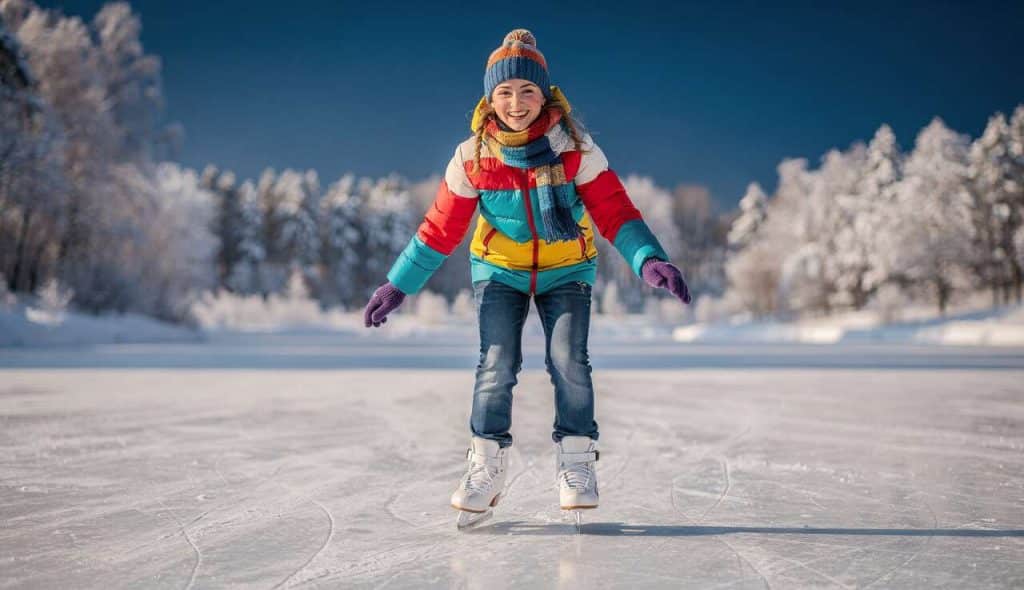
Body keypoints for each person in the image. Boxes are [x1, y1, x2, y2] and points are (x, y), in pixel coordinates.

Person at [363, 29, 691, 522]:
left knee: (569, 361)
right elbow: (440, 229)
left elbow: (615, 211)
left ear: (545, 94)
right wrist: (398, 283)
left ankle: (576, 462)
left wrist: (648, 258)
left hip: (568, 268)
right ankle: (485, 466)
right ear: (489, 99)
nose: (516, 103)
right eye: (505, 92)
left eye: (527, 90)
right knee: (496, 364)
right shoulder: (473, 157)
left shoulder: (575, 148)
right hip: (499, 271)